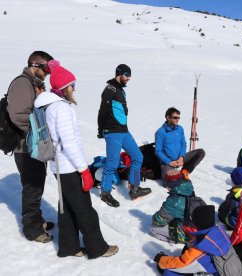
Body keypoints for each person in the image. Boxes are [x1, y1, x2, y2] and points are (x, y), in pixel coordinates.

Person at [34, 60, 118, 258]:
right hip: (69, 167)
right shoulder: (61, 108)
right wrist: (83, 170)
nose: (74, 88)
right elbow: (69, 143)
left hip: (58, 166)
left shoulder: (48, 105)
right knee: (84, 209)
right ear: (65, 87)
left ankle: (69, 246)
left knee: (67, 207)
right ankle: (97, 247)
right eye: (72, 85)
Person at [7, 51, 55, 243]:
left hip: (35, 145)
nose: (48, 74)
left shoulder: (34, 84)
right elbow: (18, 115)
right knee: (32, 187)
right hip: (26, 146)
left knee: (37, 184)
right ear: (35, 65)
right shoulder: (22, 83)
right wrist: (39, 133)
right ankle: (33, 229)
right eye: (46, 69)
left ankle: (37, 219)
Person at [97, 64, 151, 207]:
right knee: (112, 163)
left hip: (123, 130)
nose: (128, 78)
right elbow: (103, 110)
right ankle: (105, 192)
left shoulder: (120, 89)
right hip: (112, 131)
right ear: (119, 74)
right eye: (126, 75)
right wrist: (101, 129)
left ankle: (134, 188)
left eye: (129, 76)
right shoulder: (110, 89)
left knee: (138, 156)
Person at [153, 205, 239, 276]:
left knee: (169, 272)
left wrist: (162, 260)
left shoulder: (202, 247)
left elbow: (183, 264)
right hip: (228, 267)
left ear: (197, 223)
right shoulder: (219, 232)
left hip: (217, 272)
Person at [155, 107, 205, 181]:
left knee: (201, 152)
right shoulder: (160, 132)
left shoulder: (180, 129)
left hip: (180, 159)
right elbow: (158, 151)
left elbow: (183, 144)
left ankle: (184, 171)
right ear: (168, 117)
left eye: (178, 117)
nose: (177, 119)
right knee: (170, 183)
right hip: (168, 162)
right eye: (175, 117)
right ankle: (172, 172)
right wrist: (169, 162)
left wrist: (181, 157)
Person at [150, 170, 194, 244]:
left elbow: (158, 220)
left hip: (189, 233)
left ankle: (180, 238)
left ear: (168, 186)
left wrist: (155, 216)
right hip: (195, 224)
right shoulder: (189, 188)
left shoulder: (173, 202)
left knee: (153, 228)